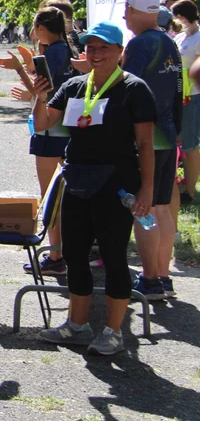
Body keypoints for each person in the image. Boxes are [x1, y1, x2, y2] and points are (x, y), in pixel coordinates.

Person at [32, 21, 156, 355]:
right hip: (77, 180)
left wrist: (146, 190)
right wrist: (40, 96)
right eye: (90, 47)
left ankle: (114, 332)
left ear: (120, 52)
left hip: (117, 183)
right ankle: (77, 325)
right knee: (74, 255)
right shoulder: (73, 86)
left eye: (104, 48)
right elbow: (43, 123)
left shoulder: (134, 88)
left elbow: (145, 144)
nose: (96, 53)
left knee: (114, 257)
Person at [3, 6, 76, 276]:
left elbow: (39, 92)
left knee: (50, 198)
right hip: (70, 131)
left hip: (49, 131)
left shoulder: (51, 54)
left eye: (34, 28)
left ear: (43, 29)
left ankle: (55, 256)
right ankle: (68, 252)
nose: (33, 33)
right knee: (69, 196)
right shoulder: (70, 51)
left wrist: (19, 69)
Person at [121, 0, 183, 300]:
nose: (124, 17)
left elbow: (125, 89)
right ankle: (163, 276)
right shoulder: (170, 41)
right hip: (168, 136)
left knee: (144, 209)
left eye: (127, 11)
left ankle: (150, 279)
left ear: (136, 11)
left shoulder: (140, 44)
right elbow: (177, 92)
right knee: (161, 207)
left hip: (145, 138)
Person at [173, 0, 200, 205]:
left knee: (190, 145)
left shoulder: (199, 37)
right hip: (178, 96)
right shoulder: (181, 37)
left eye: (178, 15)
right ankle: (181, 184)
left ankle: (189, 192)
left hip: (193, 96)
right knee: (180, 142)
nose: (177, 20)